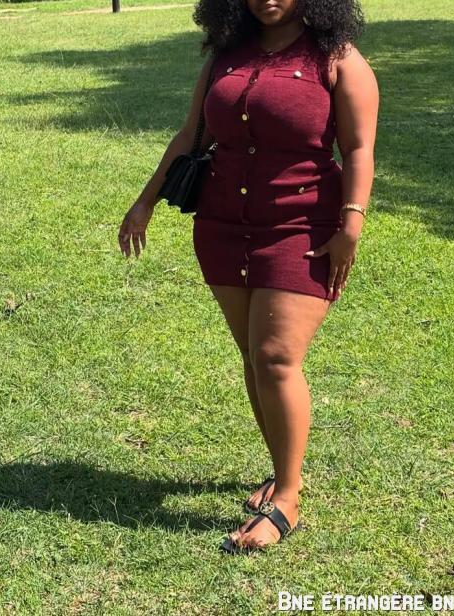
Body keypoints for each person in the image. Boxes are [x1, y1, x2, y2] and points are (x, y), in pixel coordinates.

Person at [118, 0, 379, 554]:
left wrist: (351, 224)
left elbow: (358, 148)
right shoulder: (224, 56)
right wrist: (145, 202)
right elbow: (190, 137)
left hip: (302, 228)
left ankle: (288, 498)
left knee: (276, 357)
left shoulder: (337, 59)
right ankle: (283, 471)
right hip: (222, 227)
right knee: (254, 357)